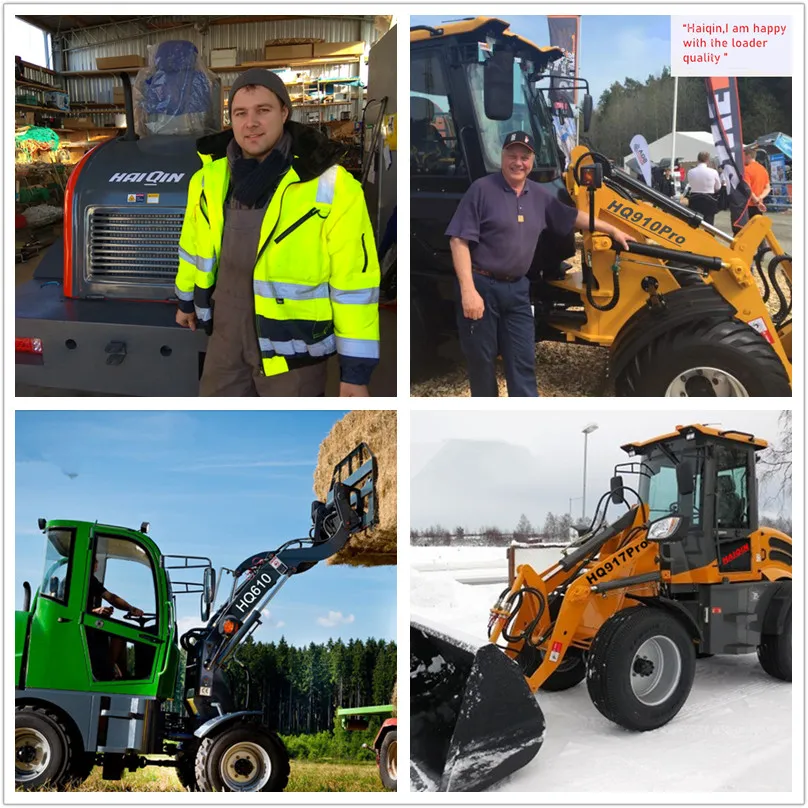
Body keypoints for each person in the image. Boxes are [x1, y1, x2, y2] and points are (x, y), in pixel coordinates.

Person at [174, 68, 380, 397]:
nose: (250, 123)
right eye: (240, 113)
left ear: (285, 112)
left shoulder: (331, 185)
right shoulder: (208, 180)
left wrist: (355, 371)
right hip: (224, 339)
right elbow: (193, 246)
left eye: (263, 110)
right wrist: (186, 301)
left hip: (294, 349)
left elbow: (354, 282)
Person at [446, 130, 634, 397]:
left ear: (531, 161)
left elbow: (572, 217)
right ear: (502, 157)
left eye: (524, 157)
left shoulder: (539, 195)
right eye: (512, 155)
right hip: (482, 288)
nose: (518, 162)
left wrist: (611, 229)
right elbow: (459, 241)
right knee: (482, 364)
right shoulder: (482, 190)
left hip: (518, 291)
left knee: (523, 363)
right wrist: (468, 291)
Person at [89, 560, 144, 679]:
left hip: (92, 624)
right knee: (119, 635)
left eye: (97, 562)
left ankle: (120, 674)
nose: (96, 564)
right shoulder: (74, 580)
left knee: (121, 634)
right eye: (95, 561)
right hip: (84, 628)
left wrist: (131, 608)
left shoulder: (92, 581)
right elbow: (73, 609)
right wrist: (96, 611)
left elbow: (111, 598)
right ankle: (107, 672)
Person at [686, 152, 721, 225]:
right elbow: (718, 187)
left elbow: (690, 183)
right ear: (707, 160)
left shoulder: (690, 171)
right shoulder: (713, 172)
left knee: (693, 223)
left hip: (694, 199)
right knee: (709, 224)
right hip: (709, 199)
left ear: (698, 159)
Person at [742, 145, 772, 220]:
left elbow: (748, 189)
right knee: (757, 228)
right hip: (759, 204)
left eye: (743, 156)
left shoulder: (746, 170)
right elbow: (767, 188)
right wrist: (760, 198)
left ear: (748, 156)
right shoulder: (763, 169)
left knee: (746, 229)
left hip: (748, 205)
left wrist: (756, 201)